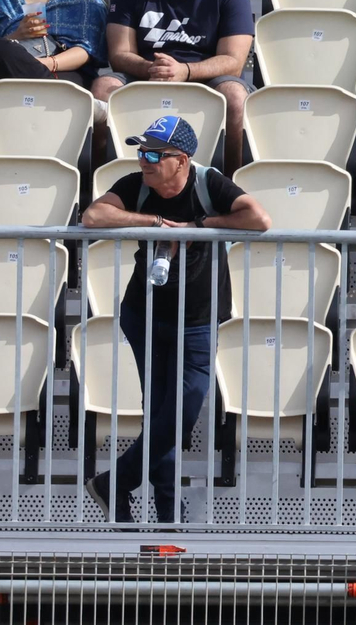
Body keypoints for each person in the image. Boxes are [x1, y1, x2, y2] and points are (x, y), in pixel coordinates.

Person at [81, 115, 269, 525]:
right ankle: (167, 513)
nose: (143, 161)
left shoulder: (208, 183)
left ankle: (116, 483)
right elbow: (93, 217)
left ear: (181, 160)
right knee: (161, 414)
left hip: (197, 318)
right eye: (140, 152)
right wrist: (155, 223)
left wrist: (198, 227)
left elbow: (259, 219)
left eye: (153, 154)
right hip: (144, 313)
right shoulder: (137, 186)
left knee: (180, 412)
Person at [94, 0, 255, 176]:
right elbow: (119, 53)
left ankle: (231, 189)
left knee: (236, 96)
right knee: (103, 87)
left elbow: (233, 63)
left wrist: (185, 71)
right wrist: (153, 70)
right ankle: (100, 184)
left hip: (203, 76)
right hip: (147, 72)